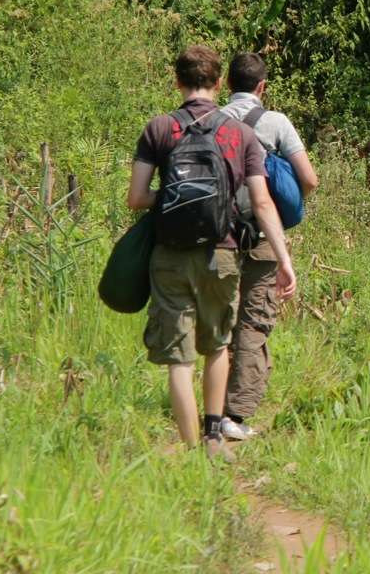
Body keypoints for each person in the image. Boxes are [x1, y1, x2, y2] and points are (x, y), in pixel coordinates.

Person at [127, 45, 297, 461]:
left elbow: (136, 198)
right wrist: (284, 258)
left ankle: (188, 452)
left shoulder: (159, 129)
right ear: (219, 83)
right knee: (218, 346)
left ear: (177, 81)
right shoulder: (240, 135)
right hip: (222, 254)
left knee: (179, 360)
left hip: (169, 254)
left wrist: (168, 196)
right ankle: (213, 437)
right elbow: (261, 203)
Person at [218, 51, 317, 441]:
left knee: (220, 319)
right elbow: (309, 178)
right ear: (262, 87)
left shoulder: (210, 119)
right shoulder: (275, 122)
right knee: (254, 321)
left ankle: (211, 407)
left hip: (216, 235)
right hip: (261, 235)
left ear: (227, 85)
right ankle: (236, 413)